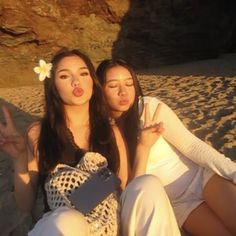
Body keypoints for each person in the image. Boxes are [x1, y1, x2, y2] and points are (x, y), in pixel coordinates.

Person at [0, 49, 181, 236]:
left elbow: (129, 191)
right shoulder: (38, 133)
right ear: (53, 86)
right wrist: (20, 160)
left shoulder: (110, 131)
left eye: (83, 73)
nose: (76, 81)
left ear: (92, 83)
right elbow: (25, 204)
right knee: (67, 218)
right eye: (64, 76)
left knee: (148, 184)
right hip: (64, 227)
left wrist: (143, 147)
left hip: (109, 225)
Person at [96, 58, 236, 236]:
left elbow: (192, 145)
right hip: (178, 204)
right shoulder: (107, 135)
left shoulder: (148, 107)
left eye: (129, 83)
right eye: (113, 85)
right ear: (100, 90)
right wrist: (143, 146)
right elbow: (133, 190)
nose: (123, 92)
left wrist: (233, 172)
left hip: (200, 178)